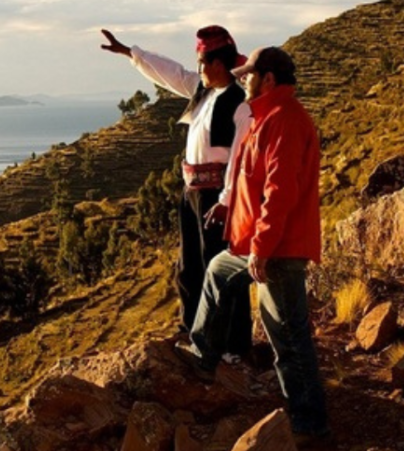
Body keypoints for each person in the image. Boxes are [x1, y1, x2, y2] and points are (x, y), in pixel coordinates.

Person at [175, 47, 330, 445]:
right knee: (216, 273)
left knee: (288, 335)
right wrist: (227, 208)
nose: (242, 79)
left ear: (269, 79)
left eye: (249, 75)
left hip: (275, 248)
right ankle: (203, 355)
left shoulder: (285, 121)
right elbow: (249, 182)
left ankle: (309, 422)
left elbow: (279, 193)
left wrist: (261, 247)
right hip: (253, 243)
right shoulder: (264, 118)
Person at [100, 25, 253, 355]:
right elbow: (170, 72)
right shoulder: (202, 90)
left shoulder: (240, 104)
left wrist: (227, 200)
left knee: (221, 269)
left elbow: (240, 159)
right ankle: (193, 331)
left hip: (219, 198)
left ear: (217, 63)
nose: (197, 69)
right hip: (192, 194)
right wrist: (131, 53)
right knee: (190, 268)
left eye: (201, 62)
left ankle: (233, 345)